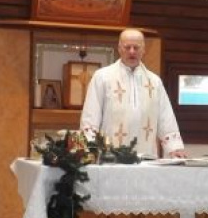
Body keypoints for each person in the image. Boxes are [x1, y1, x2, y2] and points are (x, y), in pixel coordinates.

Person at [80, 29, 186, 158]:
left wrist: (174, 148)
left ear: (143, 50)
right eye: (127, 47)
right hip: (110, 157)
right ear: (119, 49)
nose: (132, 51)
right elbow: (91, 115)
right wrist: (89, 149)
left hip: (146, 157)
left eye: (136, 47)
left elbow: (165, 116)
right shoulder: (102, 77)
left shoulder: (154, 82)